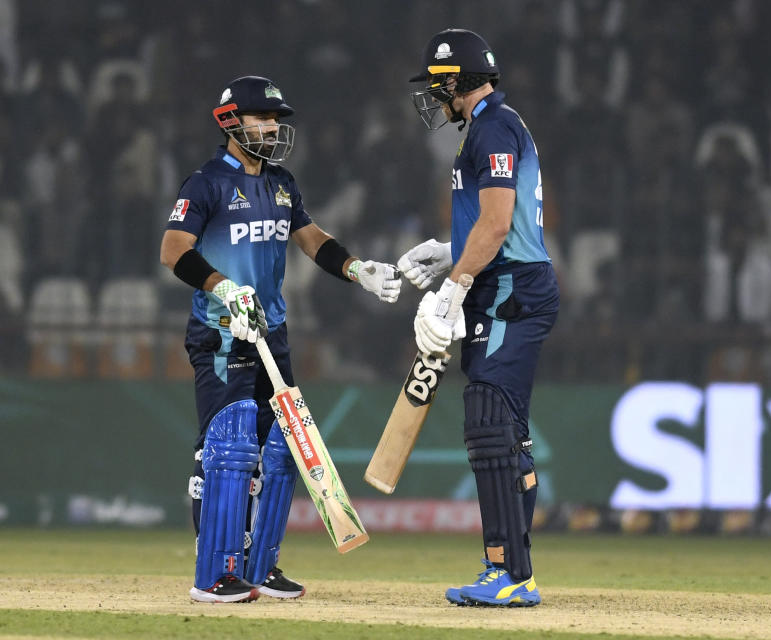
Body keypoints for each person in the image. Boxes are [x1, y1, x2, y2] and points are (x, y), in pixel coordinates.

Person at [159, 75, 400, 603]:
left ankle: (260, 566)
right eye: (262, 118)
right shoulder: (205, 183)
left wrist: (359, 270)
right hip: (223, 332)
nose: (272, 127)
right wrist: (225, 291)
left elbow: (311, 240)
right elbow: (174, 250)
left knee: (281, 448)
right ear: (230, 122)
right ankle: (216, 573)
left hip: (270, 332)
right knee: (230, 448)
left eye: (276, 120)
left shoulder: (281, 182)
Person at [400, 29, 559, 607]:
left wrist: (454, 286)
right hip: (507, 279)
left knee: (490, 422)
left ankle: (510, 573)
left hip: (509, 286)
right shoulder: (498, 124)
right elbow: (495, 223)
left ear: (459, 81)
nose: (434, 97)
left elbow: (497, 224)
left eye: (439, 85)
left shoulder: (493, 126)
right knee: (503, 431)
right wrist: (453, 250)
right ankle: (510, 568)